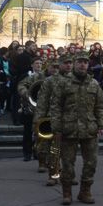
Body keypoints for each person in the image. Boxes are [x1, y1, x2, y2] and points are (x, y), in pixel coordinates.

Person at [50, 52, 103, 205]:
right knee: (68, 163)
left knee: (91, 163)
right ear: (74, 63)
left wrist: (102, 125)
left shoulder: (94, 84)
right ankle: (67, 192)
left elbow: (100, 107)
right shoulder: (63, 83)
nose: (83, 65)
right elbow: (55, 107)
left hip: (89, 129)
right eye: (80, 62)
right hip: (69, 128)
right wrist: (56, 128)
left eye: (85, 62)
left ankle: (85, 191)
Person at [35, 56, 72, 185]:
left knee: (69, 151)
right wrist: (39, 121)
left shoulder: (75, 79)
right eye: (65, 63)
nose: (68, 66)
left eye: (70, 63)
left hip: (71, 119)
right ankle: (53, 174)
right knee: (54, 149)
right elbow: (42, 101)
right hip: (53, 117)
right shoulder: (50, 81)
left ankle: (68, 175)